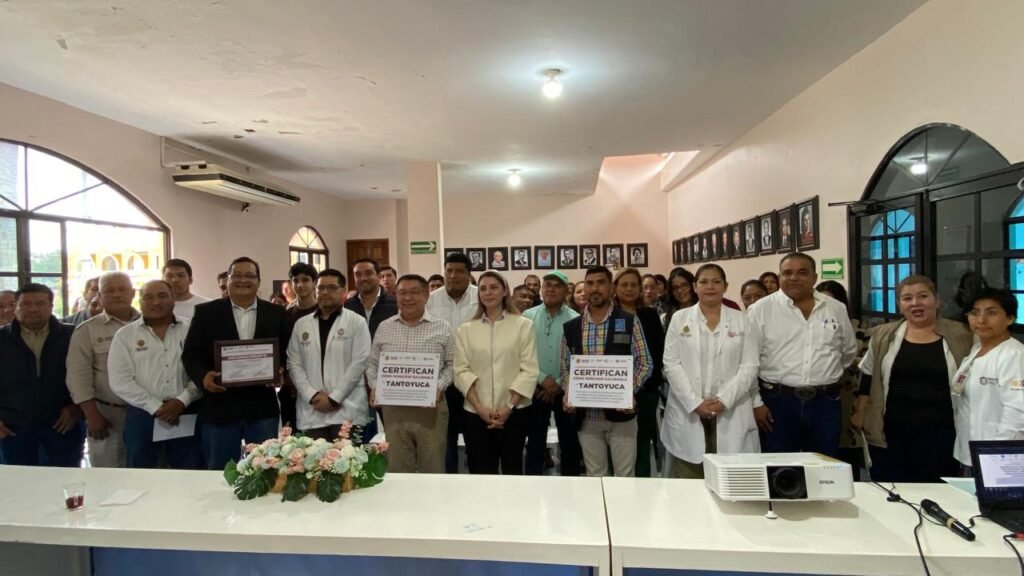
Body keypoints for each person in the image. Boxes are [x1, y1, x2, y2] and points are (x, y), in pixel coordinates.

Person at [853, 275, 971, 483]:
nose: (915, 303)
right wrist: (861, 412)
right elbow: (868, 374)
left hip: (942, 433)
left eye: (923, 296)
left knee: (939, 491)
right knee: (893, 490)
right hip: (891, 432)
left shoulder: (962, 334)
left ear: (937, 300)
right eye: (907, 298)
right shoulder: (883, 335)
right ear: (900, 305)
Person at [182, 257, 292, 470]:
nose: (243, 280)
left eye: (250, 275)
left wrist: (281, 370)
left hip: (261, 406)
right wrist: (203, 377)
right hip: (219, 406)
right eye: (237, 275)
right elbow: (191, 353)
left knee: (265, 470)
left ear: (259, 281)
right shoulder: (206, 312)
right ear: (228, 280)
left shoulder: (276, 313)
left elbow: (288, 351)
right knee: (219, 470)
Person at [747, 253, 857, 458]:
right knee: (780, 468)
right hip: (777, 403)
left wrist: (825, 374)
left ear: (815, 277)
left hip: (825, 403)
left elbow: (848, 351)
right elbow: (749, 361)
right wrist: (756, 403)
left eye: (802, 272)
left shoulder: (836, 308)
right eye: (787, 273)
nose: (794, 278)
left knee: (825, 467)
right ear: (779, 277)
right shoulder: (760, 310)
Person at [662, 264, 760, 478]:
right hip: (689, 410)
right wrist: (695, 403)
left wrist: (724, 400)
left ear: (725, 286)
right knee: (690, 479)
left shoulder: (742, 320)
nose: (710, 287)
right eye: (704, 282)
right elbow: (671, 364)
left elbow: (749, 366)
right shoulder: (680, 318)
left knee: (730, 477)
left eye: (716, 282)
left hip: (731, 409)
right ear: (695, 286)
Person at [561, 266, 652, 477]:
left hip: (621, 417)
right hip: (587, 417)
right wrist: (568, 392)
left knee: (624, 476)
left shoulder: (628, 321)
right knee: (595, 476)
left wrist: (628, 392)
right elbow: (566, 366)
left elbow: (645, 363)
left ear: (611, 288)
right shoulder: (572, 327)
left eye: (601, 282)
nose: (595, 288)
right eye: (590, 283)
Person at [107, 280, 203, 469]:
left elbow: (201, 371)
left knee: (188, 473)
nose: (156, 302)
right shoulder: (124, 335)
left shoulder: (193, 329)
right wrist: (157, 407)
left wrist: (182, 400)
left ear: (173, 299)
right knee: (142, 475)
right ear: (139, 301)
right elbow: (120, 381)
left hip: (185, 411)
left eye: (162, 296)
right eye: (148, 297)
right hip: (142, 415)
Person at [367, 274, 454, 473]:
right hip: (394, 410)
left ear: (427, 295)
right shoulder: (385, 327)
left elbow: (452, 365)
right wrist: (375, 386)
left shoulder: (443, 327)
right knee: (398, 468)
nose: (408, 298)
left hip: (430, 409)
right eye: (402, 293)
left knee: (432, 468)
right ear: (396, 296)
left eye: (415, 292)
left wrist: (438, 386)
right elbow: (372, 364)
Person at [454, 271, 538, 474]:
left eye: (493, 287)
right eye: (483, 288)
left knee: (512, 471)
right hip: (476, 413)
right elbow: (460, 371)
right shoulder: (465, 330)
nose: (488, 292)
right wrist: (479, 408)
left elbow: (529, 369)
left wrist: (508, 407)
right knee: (481, 473)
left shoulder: (523, 326)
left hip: (514, 413)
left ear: (504, 291)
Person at [0, 284, 85, 466]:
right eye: (26, 304)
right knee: (18, 481)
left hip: (63, 424)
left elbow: (89, 376)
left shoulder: (73, 335)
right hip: (13, 427)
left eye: (40, 303)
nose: (33, 309)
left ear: (51, 306)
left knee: (65, 478)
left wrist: (78, 407)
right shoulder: (2, 338)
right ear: (16, 306)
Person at [287, 269, 372, 440]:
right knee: (312, 457)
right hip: (312, 409)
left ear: (343, 291)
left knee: (348, 457)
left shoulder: (356, 322)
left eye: (332, 288)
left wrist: (334, 398)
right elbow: (293, 363)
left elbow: (360, 363)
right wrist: (311, 395)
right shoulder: (301, 324)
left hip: (347, 409)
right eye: (321, 288)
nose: (325, 292)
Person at [67, 271, 140, 468]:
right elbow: (77, 377)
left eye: (122, 289)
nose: (117, 294)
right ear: (99, 296)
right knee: (108, 475)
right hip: (106, 416)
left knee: (148, 473)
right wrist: (92, 415)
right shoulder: (86, 330)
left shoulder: (149, 324)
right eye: (109, 290)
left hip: (146, 415)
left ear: (133, 293)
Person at [953, 288, 1024, 470]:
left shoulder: (1013, 356)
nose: (981, 320)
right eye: (975, 313)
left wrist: (997, 457)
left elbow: (1018, 414)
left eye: (991, 313)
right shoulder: (976, 349)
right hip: (970, 452)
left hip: (997, 458)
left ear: (1010, 318)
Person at [522, 271, 582, 476]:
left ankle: (571, 485)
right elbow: (520, 353)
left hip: (565, 389)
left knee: (570, 442)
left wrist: (558, 382)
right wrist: (542, 379)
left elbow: (578, 357)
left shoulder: (576, 319)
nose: (551, 289)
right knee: (535, 442)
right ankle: (533, 484)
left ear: (566, 291)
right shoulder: (527, 317)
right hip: (535, 388)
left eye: (557, 285)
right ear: (541, 289)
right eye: (547, 285)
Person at [427, 252, 480, 473]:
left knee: (475, 437)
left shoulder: (480, 296)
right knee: (445, 438)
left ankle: (476, 481)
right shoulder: (432, 299)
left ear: (469, 274)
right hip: (442, 380)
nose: (453, 276)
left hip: (474, 377)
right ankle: (449, 481)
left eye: (459, 271)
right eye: (449, 271)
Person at [613, 267, 665, 478]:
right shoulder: (609, 315)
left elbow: (658, 351)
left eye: (633, 285)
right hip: (615, 391)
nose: (629, 289)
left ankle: (642, 483)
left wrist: (640, 384)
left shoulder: (649, 315)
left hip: (646, 389)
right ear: (615, 288)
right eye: (624, 284)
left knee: (642, 440)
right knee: (617, 443)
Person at [280, 262, 319, 429]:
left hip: (319, 383)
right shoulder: (285, 316)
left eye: (305, 280)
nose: (300, 285)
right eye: (296, 280)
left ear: (314, 282)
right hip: (291, 386)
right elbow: (282, 349)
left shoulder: (324, 312)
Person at [346, 258, 399, 339]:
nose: (363, 278)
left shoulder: (395, 304)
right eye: (358, 274)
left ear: (379, 277)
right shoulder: (348, 306)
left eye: (368, 273)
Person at [662, 267, 697, 331]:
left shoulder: (703, 312)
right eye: (675, 287)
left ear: (693, 286)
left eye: (684, 285)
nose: (680, 290)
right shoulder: (665, 318)